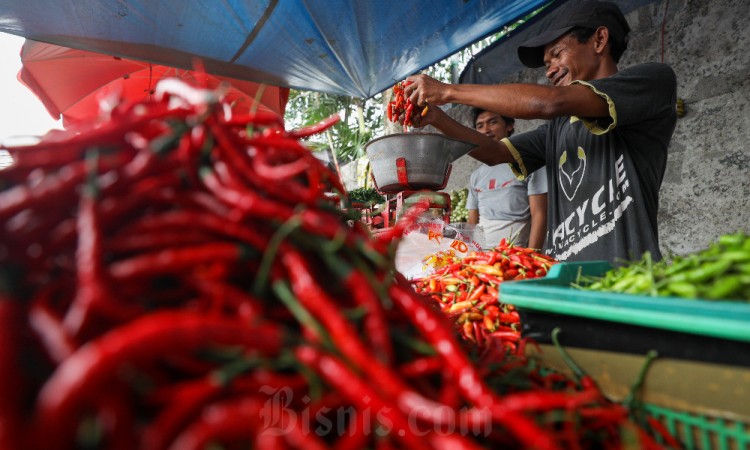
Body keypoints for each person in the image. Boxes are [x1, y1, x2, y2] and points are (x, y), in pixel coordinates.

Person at [401, 0, 677, 264]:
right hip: (567, 286)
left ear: (599, 40)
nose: (550, 71)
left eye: (557, 55)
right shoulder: (558, 128)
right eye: (547, 65)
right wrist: (435, 118)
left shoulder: (652, 82)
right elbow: (495, 153)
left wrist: (448, 91)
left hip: (626, 285)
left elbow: (549, 101)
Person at [467, 108, 548, 250]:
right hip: (481, 255)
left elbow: (539, 214)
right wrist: (471, 253)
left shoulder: (528, 163)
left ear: (509, 125)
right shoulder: (476, 175)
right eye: (480, 126)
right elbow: (472, 221)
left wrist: (532, 254)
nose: (486, 129)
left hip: (515, 253)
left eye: (492, 122)